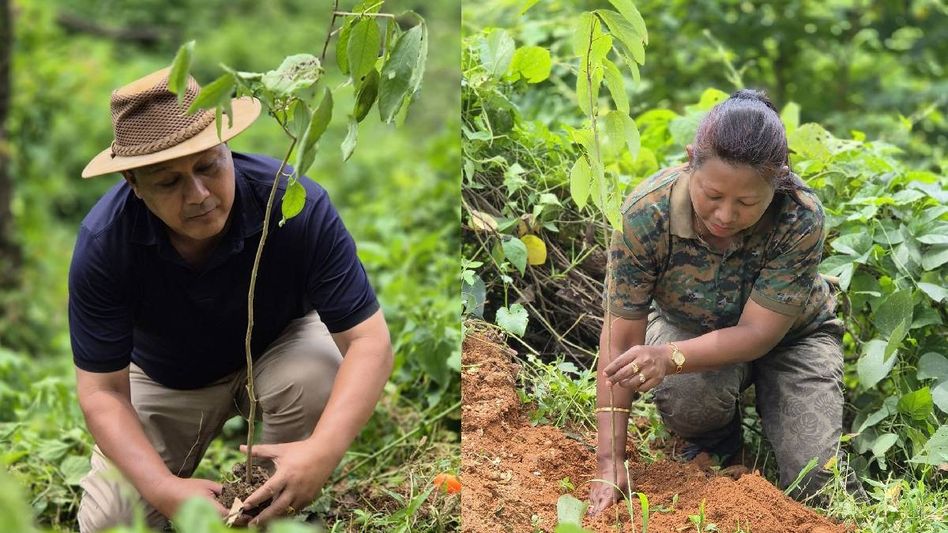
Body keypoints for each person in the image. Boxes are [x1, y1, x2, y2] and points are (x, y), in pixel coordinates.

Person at [70, 67, 393, 532]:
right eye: (168, 182)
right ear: (133, 185)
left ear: (227, 147)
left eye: (208, 166)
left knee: (316, 370)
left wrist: (322, 451)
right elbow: (102, 393)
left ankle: (267, 505)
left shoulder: (292, 202)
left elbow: (370, 343)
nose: (198, 195)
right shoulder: (105, 243)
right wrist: (163, 489)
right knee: (112, 523)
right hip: (166, 377)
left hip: (278, 350)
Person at [588, 89, 864, 515]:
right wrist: (610, 461)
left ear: (779, 180)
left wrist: (667, 357)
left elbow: (757, 334)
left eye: (746, 202)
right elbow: (621, 341)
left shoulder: (800, 215)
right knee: (688, 395)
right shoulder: (647, 214)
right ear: (690, 160)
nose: (725, 215)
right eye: (713, 195)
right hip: (690, 328)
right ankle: (715, 443)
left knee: (816, 479)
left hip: (794, 339)